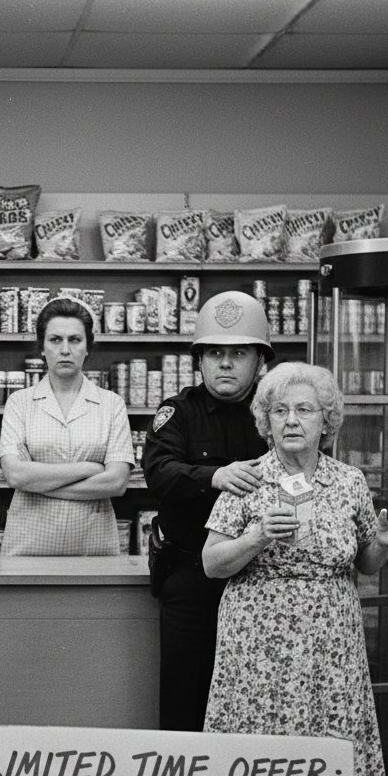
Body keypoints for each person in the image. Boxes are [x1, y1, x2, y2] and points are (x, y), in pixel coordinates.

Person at [201, 362, 388, 776]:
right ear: (265, 422)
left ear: (326, 421)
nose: (291, 420)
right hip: (258, 640)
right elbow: (211, 563)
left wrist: (384, 542)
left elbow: (363, 562)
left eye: (304, 410)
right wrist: (252, 539)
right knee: (259, 751)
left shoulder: (348, 481)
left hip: (330, 638)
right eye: (279, 411)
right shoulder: (248, 477)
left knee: (326, 753)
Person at [142, 290, 273, 731]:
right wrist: (214, 477)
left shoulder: (276, 415)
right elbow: (158, 472)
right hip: (190, 577)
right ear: (199, 360)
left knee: (257, 697)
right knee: (184, 697)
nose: (225, 363)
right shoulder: (176, 412)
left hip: (260, 578)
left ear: (260, 361)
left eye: (239, 353)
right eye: (214, 352)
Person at [0, 296, 134, 555]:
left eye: (74, 340)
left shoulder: (111, 404)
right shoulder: (19, 402)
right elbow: (15, 475)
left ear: (87, 347)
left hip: (93, 549)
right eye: (55, 340)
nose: (65, 349)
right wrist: (90, 468)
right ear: (42, 347)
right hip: (28, 548)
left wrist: (38, 481)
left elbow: (116, 482)